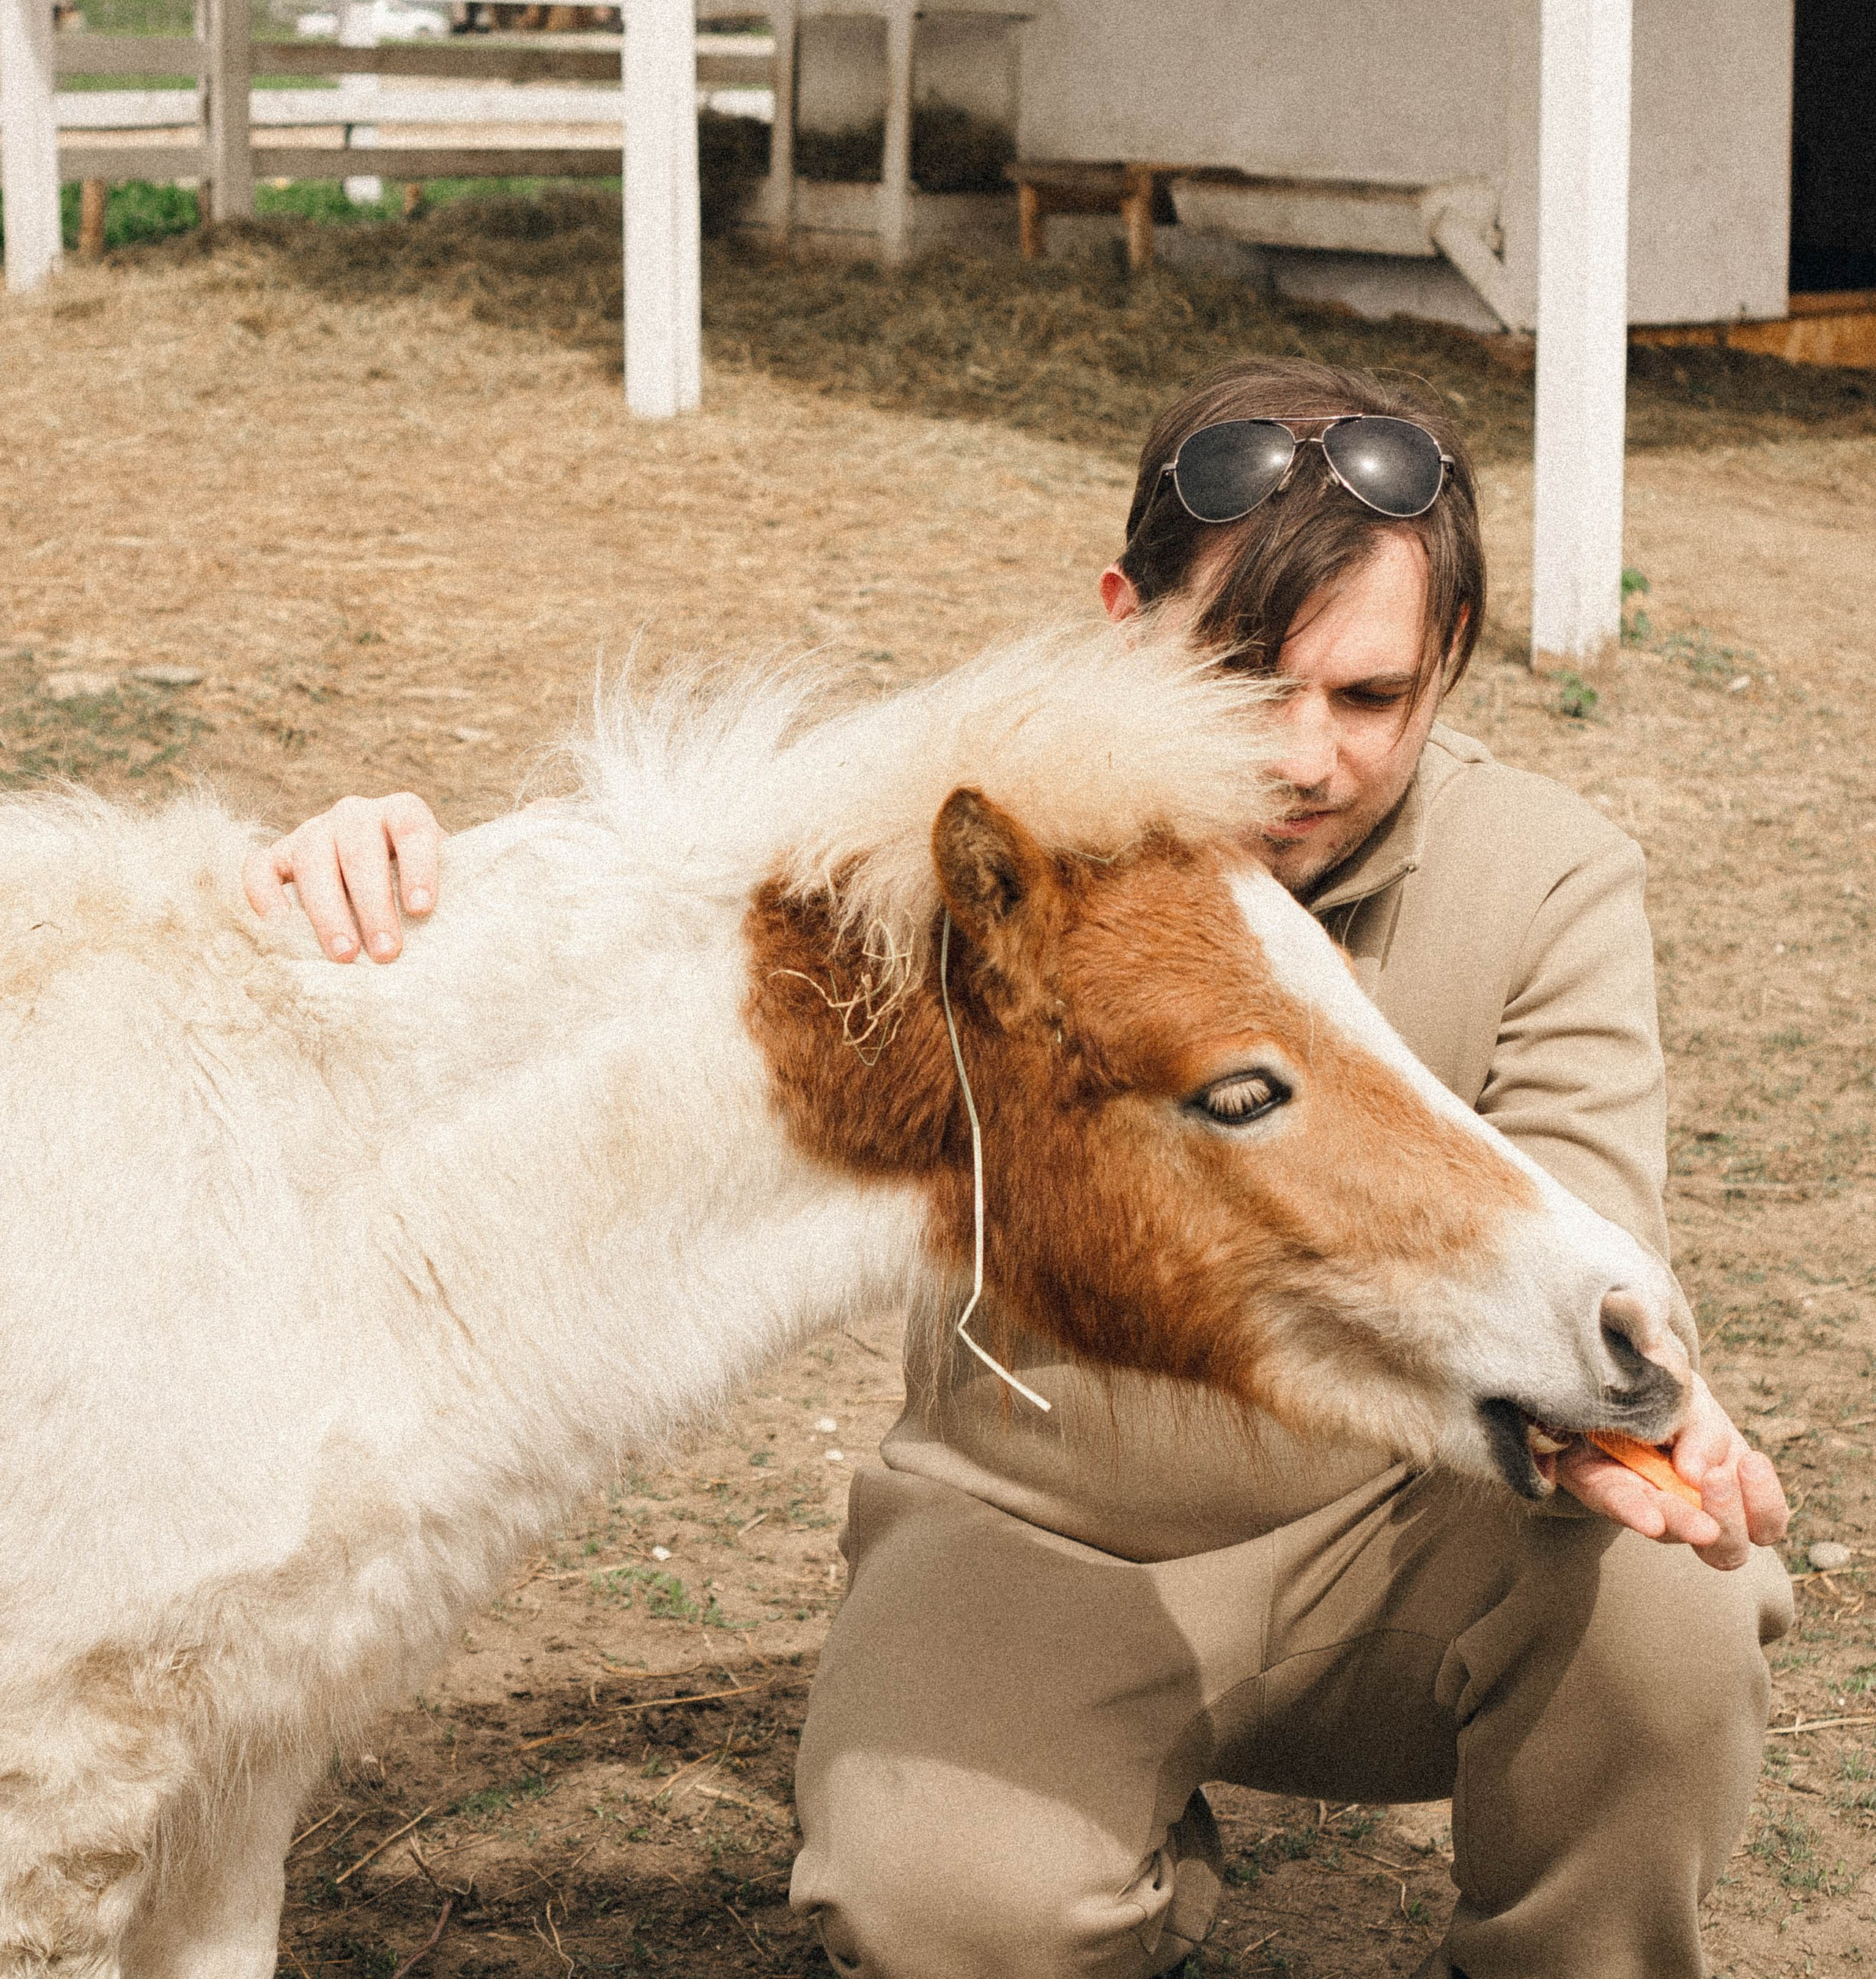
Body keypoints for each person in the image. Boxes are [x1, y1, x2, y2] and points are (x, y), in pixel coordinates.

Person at [248, 357, 1792, 1979]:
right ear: (1123, 622)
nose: (1301, 758)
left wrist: (1620, 1411)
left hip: (1389, 1540)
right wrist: (400, 868)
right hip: (1042, 1536)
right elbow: (653, 900)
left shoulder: (1545, 878)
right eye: (1239, 678)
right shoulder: (981, 825)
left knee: (1673, 1589)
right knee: (933, 1912)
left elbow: (1574, 1220)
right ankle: (1091, 1845)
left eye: (1367, 697)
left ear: (1445, 667)